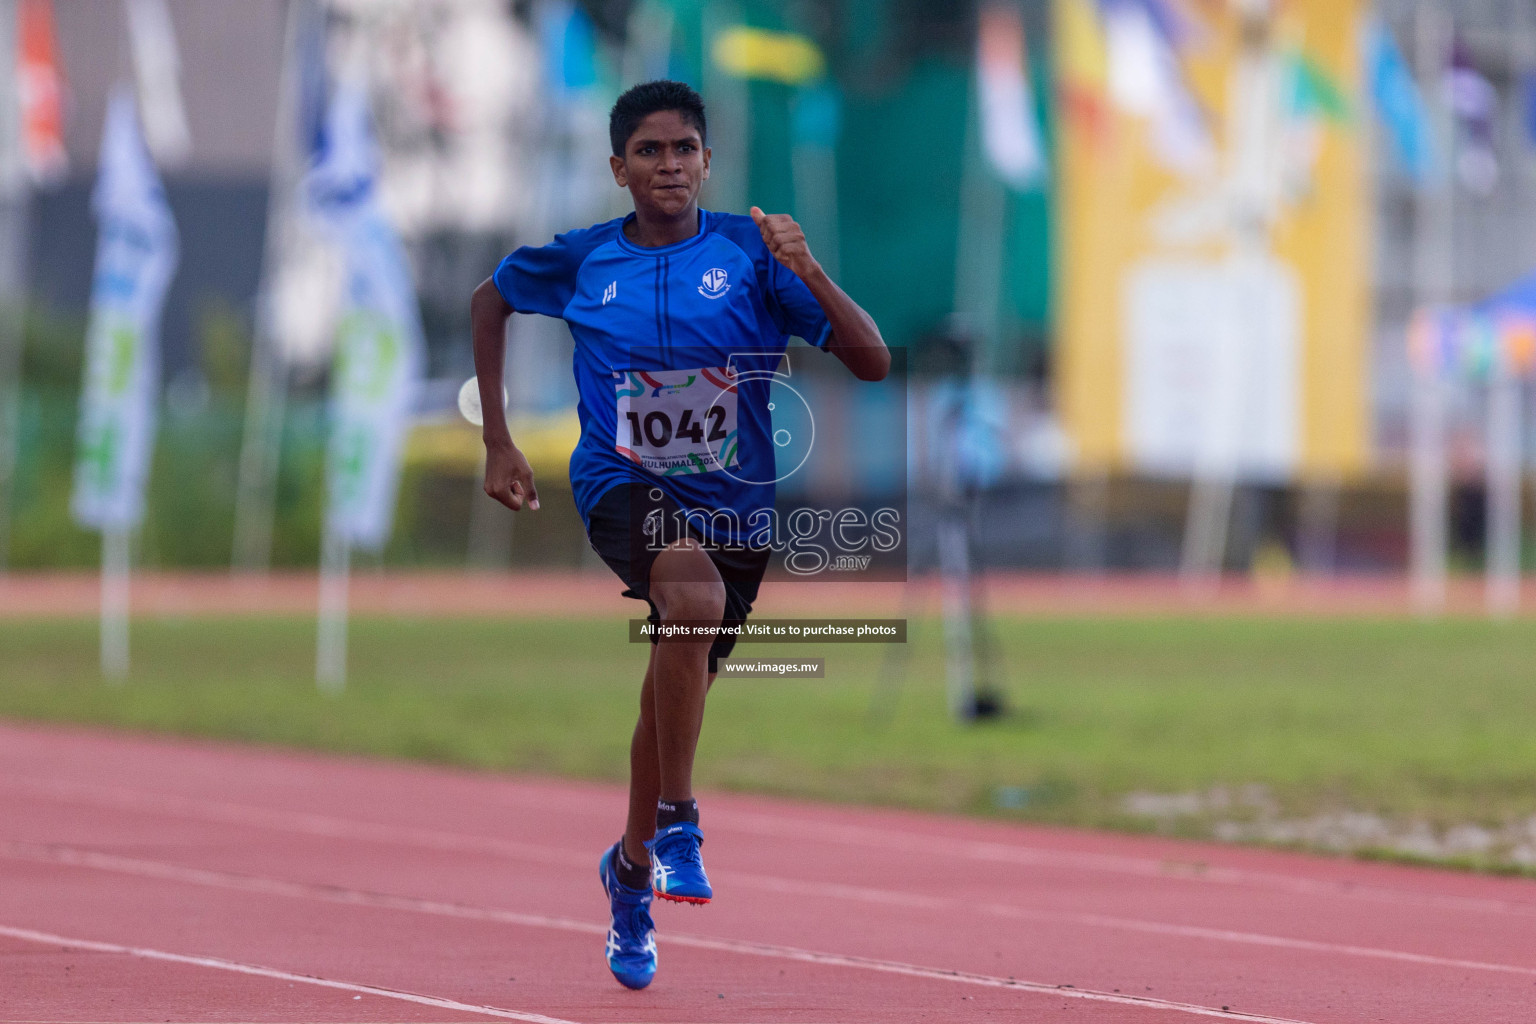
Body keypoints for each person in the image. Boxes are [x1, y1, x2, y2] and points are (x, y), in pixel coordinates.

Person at [469, 79, 887, 990]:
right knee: (688, 602)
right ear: (618, 168)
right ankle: (681, 821)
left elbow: (872, 360)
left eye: (685, 149)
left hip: (734, 506)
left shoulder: (752, 249)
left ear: (708, 160)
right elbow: (488, 300)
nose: (670, 166)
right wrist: (498, 439)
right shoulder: (583, 260)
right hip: (619, 482)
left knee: (679, 667)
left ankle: (628, 868)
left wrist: (809, 268)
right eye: (650, 152)